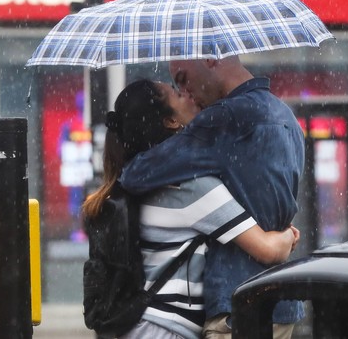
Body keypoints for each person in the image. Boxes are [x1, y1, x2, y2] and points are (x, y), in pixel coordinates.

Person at [83, 79, 300, 339]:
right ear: (171, 122)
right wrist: (289, 235)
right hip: (167, 328)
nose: (186, 93)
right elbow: (266, 249)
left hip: (137, 325)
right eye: (176, 93)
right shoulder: (190, 188)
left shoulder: (134, 184)